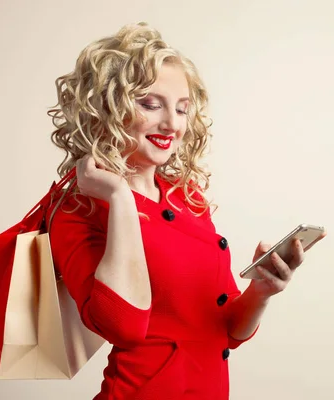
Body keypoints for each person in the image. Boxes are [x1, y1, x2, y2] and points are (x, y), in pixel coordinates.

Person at [46, 22, 307, 400]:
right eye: (151, 104)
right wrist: (120, 197)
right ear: (107, 107)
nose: (172, 124)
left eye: (182, 109)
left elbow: (223, 330)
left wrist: (261, 291)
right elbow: (123, 327)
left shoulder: (187, 198)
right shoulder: (78, 209)